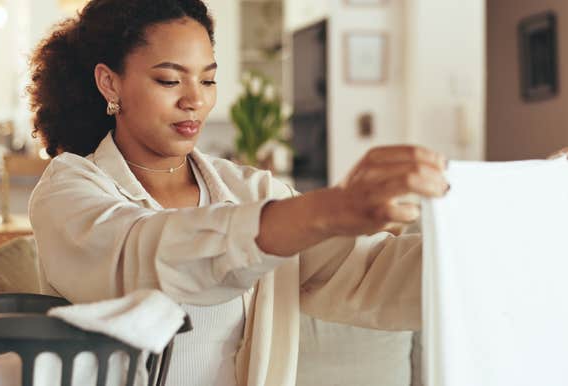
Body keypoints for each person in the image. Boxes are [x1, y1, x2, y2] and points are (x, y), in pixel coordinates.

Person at [27, 1, 448, 385]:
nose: (195, 100)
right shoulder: (69, 190)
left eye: (208, 80)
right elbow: (148, 259)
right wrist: (329, 207)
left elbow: (368, 272)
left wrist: (492, 249)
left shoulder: (252, 191)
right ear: (110, 84)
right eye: (169, 79)